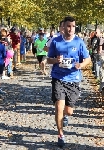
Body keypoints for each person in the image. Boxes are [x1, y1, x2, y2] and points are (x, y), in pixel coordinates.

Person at [47, 16, 91, 147]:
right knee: (59, 106)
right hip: (58, 78)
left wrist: (81, 65)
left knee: (69, 111)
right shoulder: (56, 41)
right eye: (68, 26)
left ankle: (66, 116)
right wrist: (56, 60)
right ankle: (60, 134)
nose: (71, 29)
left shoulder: (79, 42)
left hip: (74, 79)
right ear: (63, 27)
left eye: (73, 26)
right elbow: (48, 59)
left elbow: (88, 59)